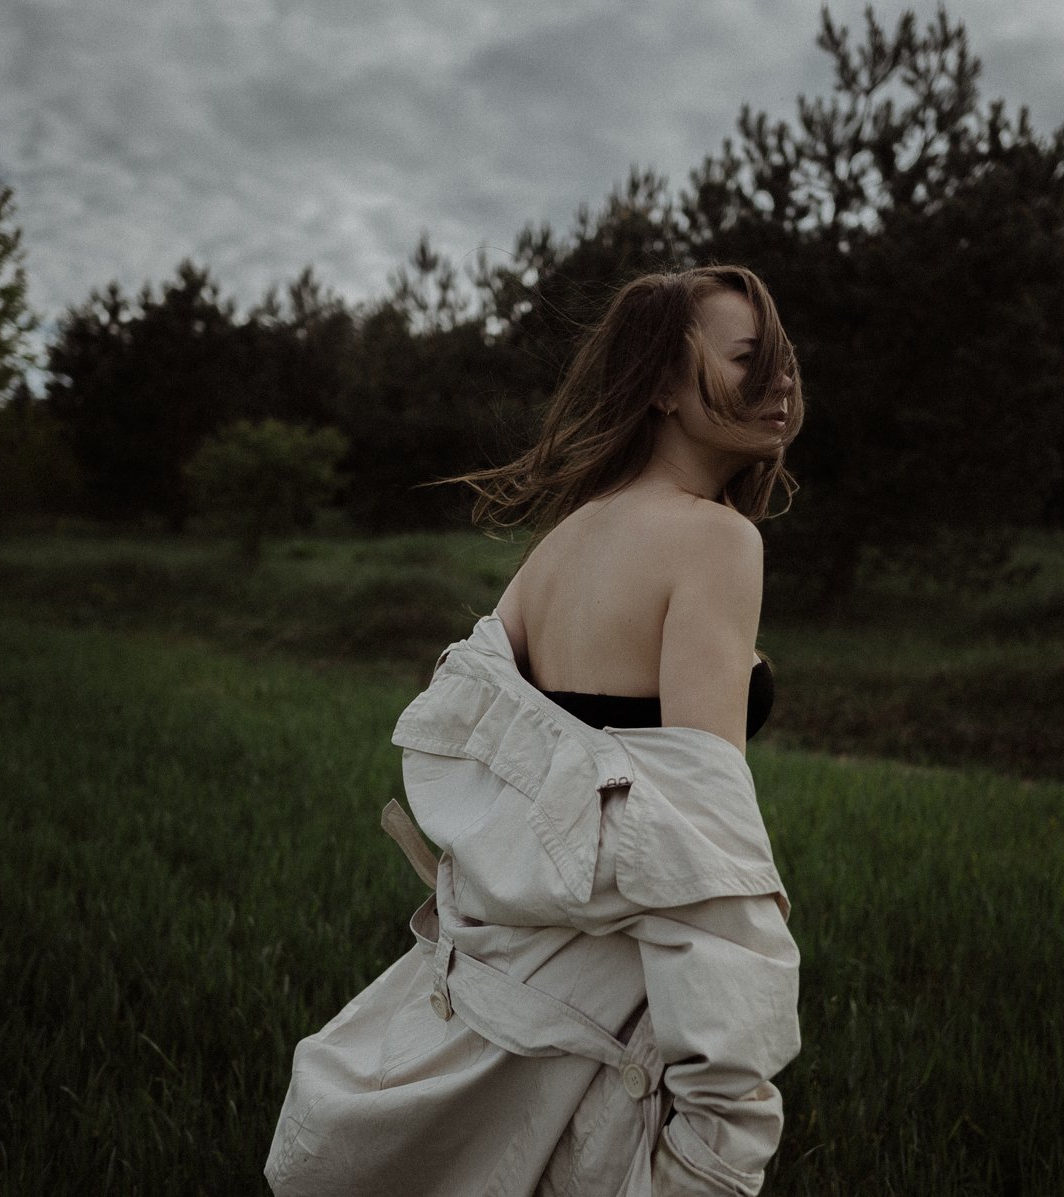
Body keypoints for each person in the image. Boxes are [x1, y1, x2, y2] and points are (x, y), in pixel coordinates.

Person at [265, 265, 805, 1196]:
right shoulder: (719, 542)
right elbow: (704, 857)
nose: (782, 381)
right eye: (749, 359)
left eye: (785, 359)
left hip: (520, 977)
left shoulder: (562, 542)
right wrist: (724, 1130)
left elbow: (497, 751)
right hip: (619, 997)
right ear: (664, 387)